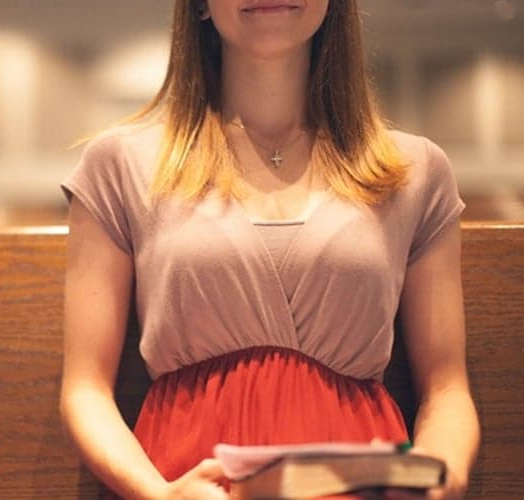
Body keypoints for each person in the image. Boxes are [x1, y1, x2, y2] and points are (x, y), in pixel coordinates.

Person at [59, 1, 480, 499]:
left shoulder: (415, 170)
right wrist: (160, 494)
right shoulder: (120, 164)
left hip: (362, 488)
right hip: (184, 483)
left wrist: (439, 477)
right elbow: (84, 390)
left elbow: (448, 389)